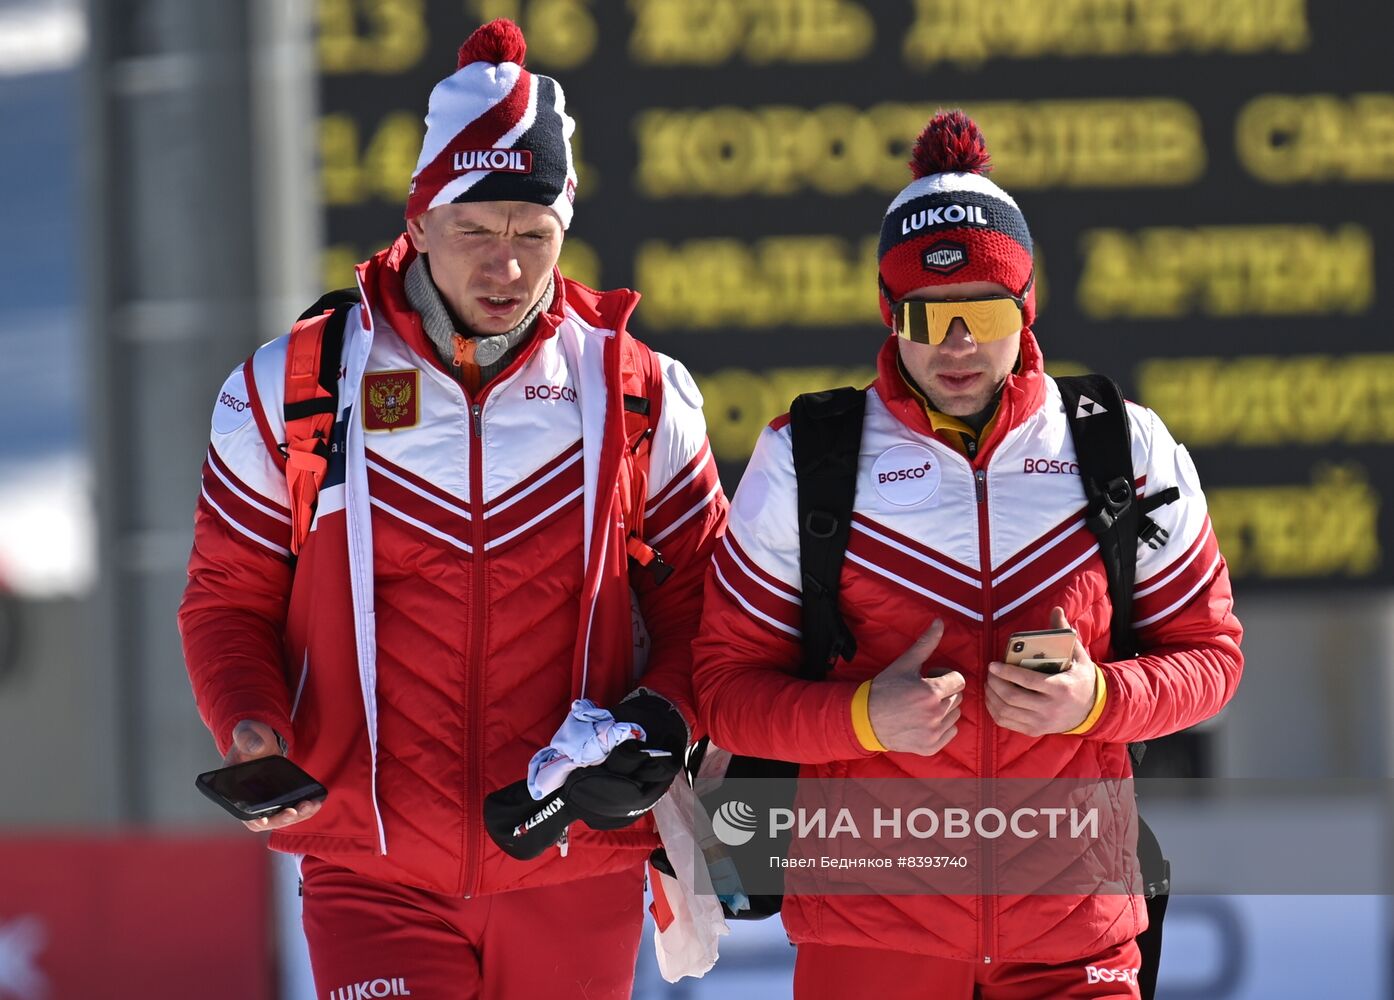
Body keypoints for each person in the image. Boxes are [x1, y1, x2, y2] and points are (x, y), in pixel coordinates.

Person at [178, 19, 725, 999]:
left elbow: (711, 615)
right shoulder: (294, 385)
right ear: (418, 219)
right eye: (474, 229)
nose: (505, 266)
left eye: (532, 234)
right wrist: (251, 726)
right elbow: (225, 598)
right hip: (369, 869)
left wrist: (659, 719)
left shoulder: (636, 389)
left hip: (573, 860)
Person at [692, 109, 1243, 999]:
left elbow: (1213, 662)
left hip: (1074, 933)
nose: (956, 344)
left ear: (1024, 309)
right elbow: (725, 694)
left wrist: (1096, 697)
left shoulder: (1120, 445)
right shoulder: (808, 456)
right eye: (929, 313)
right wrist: (867, 717)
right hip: (873, 936)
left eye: (982, 312)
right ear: (889, 311)